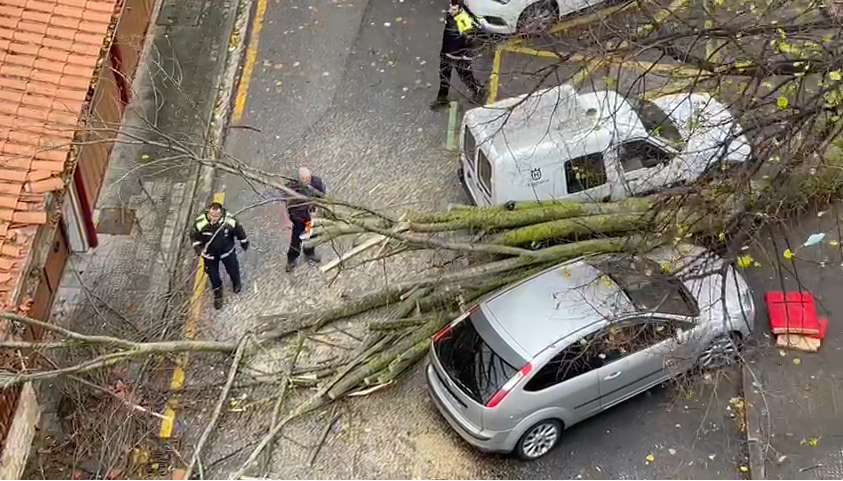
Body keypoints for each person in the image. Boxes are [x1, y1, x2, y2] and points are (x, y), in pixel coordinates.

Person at [190, 202, 249, 310]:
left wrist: (244, 242)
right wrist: (200, 251)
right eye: (211, 215)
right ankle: (218, 294)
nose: (213, 218)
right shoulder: (200, 223)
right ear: (208, 213)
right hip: (210, 256)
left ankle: (236, 283)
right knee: (213, 276)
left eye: (216, 216)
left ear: (221, 214)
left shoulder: (229, 221)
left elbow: (239, 231)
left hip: (227, 253)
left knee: (233, 270)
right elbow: (194, 238)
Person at [430, 0, 486, 110]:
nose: (451, 9)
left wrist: (465, 53)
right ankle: (442, 98)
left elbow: (471, 40)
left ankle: (478, 90)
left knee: (465, 76)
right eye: (451, 6)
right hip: (447, 53)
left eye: (454, 7)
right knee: (444, 76)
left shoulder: (464, 20)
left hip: (458, 55)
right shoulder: (452, 15)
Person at [285, 167, 326, 273]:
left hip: (312, 217)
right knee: (296, 240)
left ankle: (309, 252)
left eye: (309, 178)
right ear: (300, 179)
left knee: (312, 235)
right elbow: (290, 206)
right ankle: (291, 259)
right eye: (305, 179)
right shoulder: (292, 188)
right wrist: (297, 217)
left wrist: (317, 208)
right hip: (299, 218)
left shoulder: (316, 182)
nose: (308, 181)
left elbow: (322, 195)